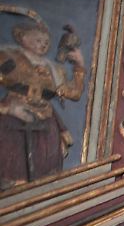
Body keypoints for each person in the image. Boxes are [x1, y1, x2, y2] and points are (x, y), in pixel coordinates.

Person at [0, 16, 86, 189]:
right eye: (38, 40)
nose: (44, 44)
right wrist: (8, 108)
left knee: (45, 169)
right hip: (13, 118)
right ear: (22, 37)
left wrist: (79, 65)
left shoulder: (54, 69)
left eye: (47, 41)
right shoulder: (8, 57)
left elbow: (74, 94)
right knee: (11, 166)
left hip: (46, 122)